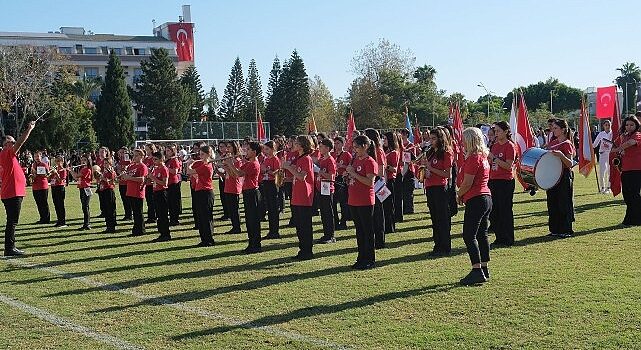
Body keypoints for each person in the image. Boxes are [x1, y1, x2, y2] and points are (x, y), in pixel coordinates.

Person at [457, 127, 492, 285]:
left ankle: (476, 269)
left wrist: (459, 194)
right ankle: (484, 267)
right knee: (482, 234)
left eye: (464, 140)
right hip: (485, 197)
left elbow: (467, 182)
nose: (462, 143)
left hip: (477, 198)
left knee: (469, 235)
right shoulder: (483, 156)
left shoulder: (473, 158)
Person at [1, 120, 36, 256]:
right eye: (11, 142)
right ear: (6, 144)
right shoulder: (6, 152)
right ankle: (9, 248)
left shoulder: (7, 156)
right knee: (12, 221)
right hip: (12, 193)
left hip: (11, 192)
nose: (14, 143)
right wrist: (29, 129)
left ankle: (10, 246)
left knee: (12, 221)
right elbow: (20, 142)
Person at [347, 135, 378, 270]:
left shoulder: (370, 162)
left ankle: (369, 259)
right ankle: (361, 257)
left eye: (357, 147)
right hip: (353, 199)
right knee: (359, 231)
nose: (354, 150)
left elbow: (369, 182)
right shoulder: (355, 160)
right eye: (353, 147)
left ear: (365, 146)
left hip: (365, 200)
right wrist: (348, 176)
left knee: (367, 231)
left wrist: (353, 174)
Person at [282, 135, 315, 260]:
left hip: (304, 196)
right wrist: (288, 178)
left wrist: (288, 167)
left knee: (305, 225)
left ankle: (307, 251)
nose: (294, 144)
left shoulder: (306, 158)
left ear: (302, 145)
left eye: (296, 143)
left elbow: (302, 177)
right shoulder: (299, 158)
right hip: (297, 195)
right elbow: (298, 177)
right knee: (299, 226)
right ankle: (303, 250)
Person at [226, 141, 262, 253]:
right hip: (247, 192)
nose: (246, 151)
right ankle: (251, 243)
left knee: (253, 220)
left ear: (254, 152)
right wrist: (230, 164)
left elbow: (239, 174)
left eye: (248, 150)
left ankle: (256, 244)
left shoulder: (254, 164)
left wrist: (230, 163)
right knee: (249, 220)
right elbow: (237, 171)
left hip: (252, 193)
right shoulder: (247, 162)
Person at [422, 128, 453, 256]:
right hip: (430, 187)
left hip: (440, 188)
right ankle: (437, 245)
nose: (431, 141)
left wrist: (431, 168)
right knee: (434, 218)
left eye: (434, 138)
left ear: (440, 139)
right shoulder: (430, 152)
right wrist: (424, 170)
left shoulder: (446, 152)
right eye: (431, 138)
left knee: (442, 218)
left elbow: (447, 174)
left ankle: (445, 246)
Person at [488, 121, 517, 247]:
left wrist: (494, 158)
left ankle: (508, 238)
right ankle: (499, 237)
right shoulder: (494, 145)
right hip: (493, 180)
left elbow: (508, 166)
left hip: (505, 181)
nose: (496, 133)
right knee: (495, 211)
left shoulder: (509, 146)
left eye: (499, 131)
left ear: (506, 132)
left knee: (505, 210)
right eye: (495, 131)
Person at [546, 119, 576, 238]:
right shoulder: (553, 143)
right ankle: (555, 229)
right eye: (553, 128)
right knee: (552, 202)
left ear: (563, 129)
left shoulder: (567, 143)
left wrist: (561, 155)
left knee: (563, 202)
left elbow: (570, 163)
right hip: (552, 175)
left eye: (555, 128)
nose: (553, 130)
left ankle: (565, 229)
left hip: (563, 175)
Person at [611, 115, 641, 226]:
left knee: (634, 195)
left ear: (636, 125)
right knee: (627, 195)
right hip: (626, 169)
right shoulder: (624, 136)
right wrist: (619, 150)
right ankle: (631, 219)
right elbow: (618, 147)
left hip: (637, 169)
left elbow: (630, 144)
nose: (629, 127)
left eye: (631, 125)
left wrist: (618, 148)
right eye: (627, 125)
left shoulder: (637, 135)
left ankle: (634, 219)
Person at [187, 145, 216, 246]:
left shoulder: (206, 166)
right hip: (200, 191)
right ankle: (204, 239)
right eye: (200, 154)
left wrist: (189, 165)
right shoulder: (203, 164)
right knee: (201, 217)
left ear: (208, 154)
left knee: (206, 217)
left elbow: (189, 171)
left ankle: (208, 239)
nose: (200, 156)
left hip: (206, 192)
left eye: (202, 154)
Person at [121, 149, 148, 237]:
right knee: (135, 212)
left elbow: (142, 179)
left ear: (141, 156)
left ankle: (140, 230)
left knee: (138, 212)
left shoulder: (142, 166)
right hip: (130, 191)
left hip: (138, 191)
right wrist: (124, 176)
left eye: (136, 155)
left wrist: (128, 177)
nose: (134, 157)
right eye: (134, 155)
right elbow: (127, 177)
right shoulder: (131, 166)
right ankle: (136, 229)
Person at [316, 138, 337, 244]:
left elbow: (332, 176)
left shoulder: (330, 160)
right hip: (321, 188)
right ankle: (326, 234)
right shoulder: (322, 159)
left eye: (321, 146)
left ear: (327, 148)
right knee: (323, 212)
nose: (319, 148)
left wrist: (319, 171)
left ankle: (331, 235)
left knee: (328, 212)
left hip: (327, 188)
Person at [259, 141, 281, 240]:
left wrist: (266, 170)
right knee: (269, 208)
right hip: (266, 184)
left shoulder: (275, 159)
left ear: (272, 149)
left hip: (272, 184)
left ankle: (275, 231)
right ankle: (271, 231)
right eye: (264, 149)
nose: (265, 151)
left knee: (273, 209)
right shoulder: (265, 159)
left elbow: (277, 175)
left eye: (267, 149)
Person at [149, 151, 171, 242]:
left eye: (156, 159)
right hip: (156, 192)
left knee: (163, 214)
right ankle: (161, 233)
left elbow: (164, 183)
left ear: (161, 159)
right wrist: (153, 181)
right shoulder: (156, 168)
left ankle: (166, 234)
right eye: (153, 159)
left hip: (162, 193)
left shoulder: (164, 169)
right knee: (159, 214)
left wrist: (153, 178)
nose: (154, 161)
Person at [222, 141, 243, 235]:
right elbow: (227, 174)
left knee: (234, 209)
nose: (228, 149)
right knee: (230, 209)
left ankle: (237, 227)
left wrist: (227, 166)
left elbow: (235, 175)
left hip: (234, 186)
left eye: (229, 147)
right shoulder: (230, 159)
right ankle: (234, 226)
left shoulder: (237, 160)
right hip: (228, 185)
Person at [331, 136, 352, 230]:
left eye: (338, 143)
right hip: (333, 178)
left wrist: (342, 166)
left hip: (342, 178)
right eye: (335, 143)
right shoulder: (332, 154)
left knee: (343, 202)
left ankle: (343, 222)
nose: (336, 145)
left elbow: (351, 166)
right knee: (333, 201)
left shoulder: (347, 154)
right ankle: (335, 221)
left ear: (343, 144)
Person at [69, 155, 94, 231]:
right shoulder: (83, 169)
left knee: (85, 207)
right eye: (82, 160)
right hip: (82, 188)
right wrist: (71, 171)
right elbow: (76, 178)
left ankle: (87, 224)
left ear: (88, 161)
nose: (83, 162)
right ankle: (86, 224)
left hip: (85, 188)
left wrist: (71, 170)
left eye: (85, 160)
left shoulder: (86, 169)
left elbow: (76, 176)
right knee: (84, 206)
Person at [382, 132, 399, 234]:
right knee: (384, 205)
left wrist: (386, 166)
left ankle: (390, 226)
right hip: (383, 181)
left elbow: (394, 169)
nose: (384, 141)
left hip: (390, 180)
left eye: (385, 139)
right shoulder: (384, 151)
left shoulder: (394, 153)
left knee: (389, 205)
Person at [31, 150, 51, 224]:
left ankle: (46, 219)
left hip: (43, 186)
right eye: (35, 156)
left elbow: (46, 175)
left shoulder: (44, 164)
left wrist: (36, 172)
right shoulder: (33, 165)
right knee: (38, 203)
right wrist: (32, 176)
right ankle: (42, 218)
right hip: (35, 186)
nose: (36, 158)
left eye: (38, 156)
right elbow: (33, 174)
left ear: (41, 156)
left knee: (44, 203)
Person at [593, 120, 613, 193]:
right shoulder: (601, 134)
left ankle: (608, 187)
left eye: (609, 125)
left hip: (611, 154)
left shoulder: (613, 133)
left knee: (610, 171)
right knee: (602, 171)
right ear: (603, 126)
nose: (607, 126)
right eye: (606, 125)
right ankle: (602, 187)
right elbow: (595, 144)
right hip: (602, 154)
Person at [399, 128, 416, 215]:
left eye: (402, 134)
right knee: (402, 191)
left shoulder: (410, 146)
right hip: (401, 170)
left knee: (408, 192)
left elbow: (410, 160)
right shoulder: (399, 146)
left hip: (408, 171)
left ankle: (409, 209)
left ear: (405, 135)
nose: (400, 135)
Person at [98, 156, 117, 233]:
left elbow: (111, 182)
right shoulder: (104, 171)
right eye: (104, 163)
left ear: (110, 164)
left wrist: (103, 178)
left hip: (109, 190)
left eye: (106, 163)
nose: (104, 165)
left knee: (110, 209)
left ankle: (111, 227)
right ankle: (108, 226)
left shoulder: (111, 171)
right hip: (103, 190)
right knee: (105, 209)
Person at [165, 144, 183, 226]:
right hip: (168, 183)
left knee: (174, 202)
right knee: (169, 202)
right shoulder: (167, 160)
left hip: (174, 183)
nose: (166, 152)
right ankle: (171, 218)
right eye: (166, 150)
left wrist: (165, 168)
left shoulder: (174, 160)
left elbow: (175, 171)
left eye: (168, 150)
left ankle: (175, 219)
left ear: (173, 151)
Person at [50, 155, 68, 227]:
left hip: (60, 187)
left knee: (60, 205)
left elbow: (60, 180)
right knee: (56, 204)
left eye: (58, 161)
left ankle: (63, 222)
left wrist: (56, 173)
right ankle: (59, 220)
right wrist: (50, 173)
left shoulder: (63, 170)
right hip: (53, 187)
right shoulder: (55, 169)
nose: (57, 163)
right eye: (56, 161)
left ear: (62, 162)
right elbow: (49, 178)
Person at [116, 147, 132, 221]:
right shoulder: (120, 161)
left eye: (122, 152)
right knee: (124, 199)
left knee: (127, 199)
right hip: (121, 182)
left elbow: (129, 168)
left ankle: (129, 215)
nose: (121, 154)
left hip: (126, 182)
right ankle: (127, 214)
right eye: (120, 152)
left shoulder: (127, 160)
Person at [143, 143, 157, 224]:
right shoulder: (145, 159)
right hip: (147, 183)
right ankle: (150, 216)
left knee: (152, 201)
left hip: (152, 183)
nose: (146, 151)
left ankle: (153, 217)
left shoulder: (154, 159)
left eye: (147, 149)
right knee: (149, 200)